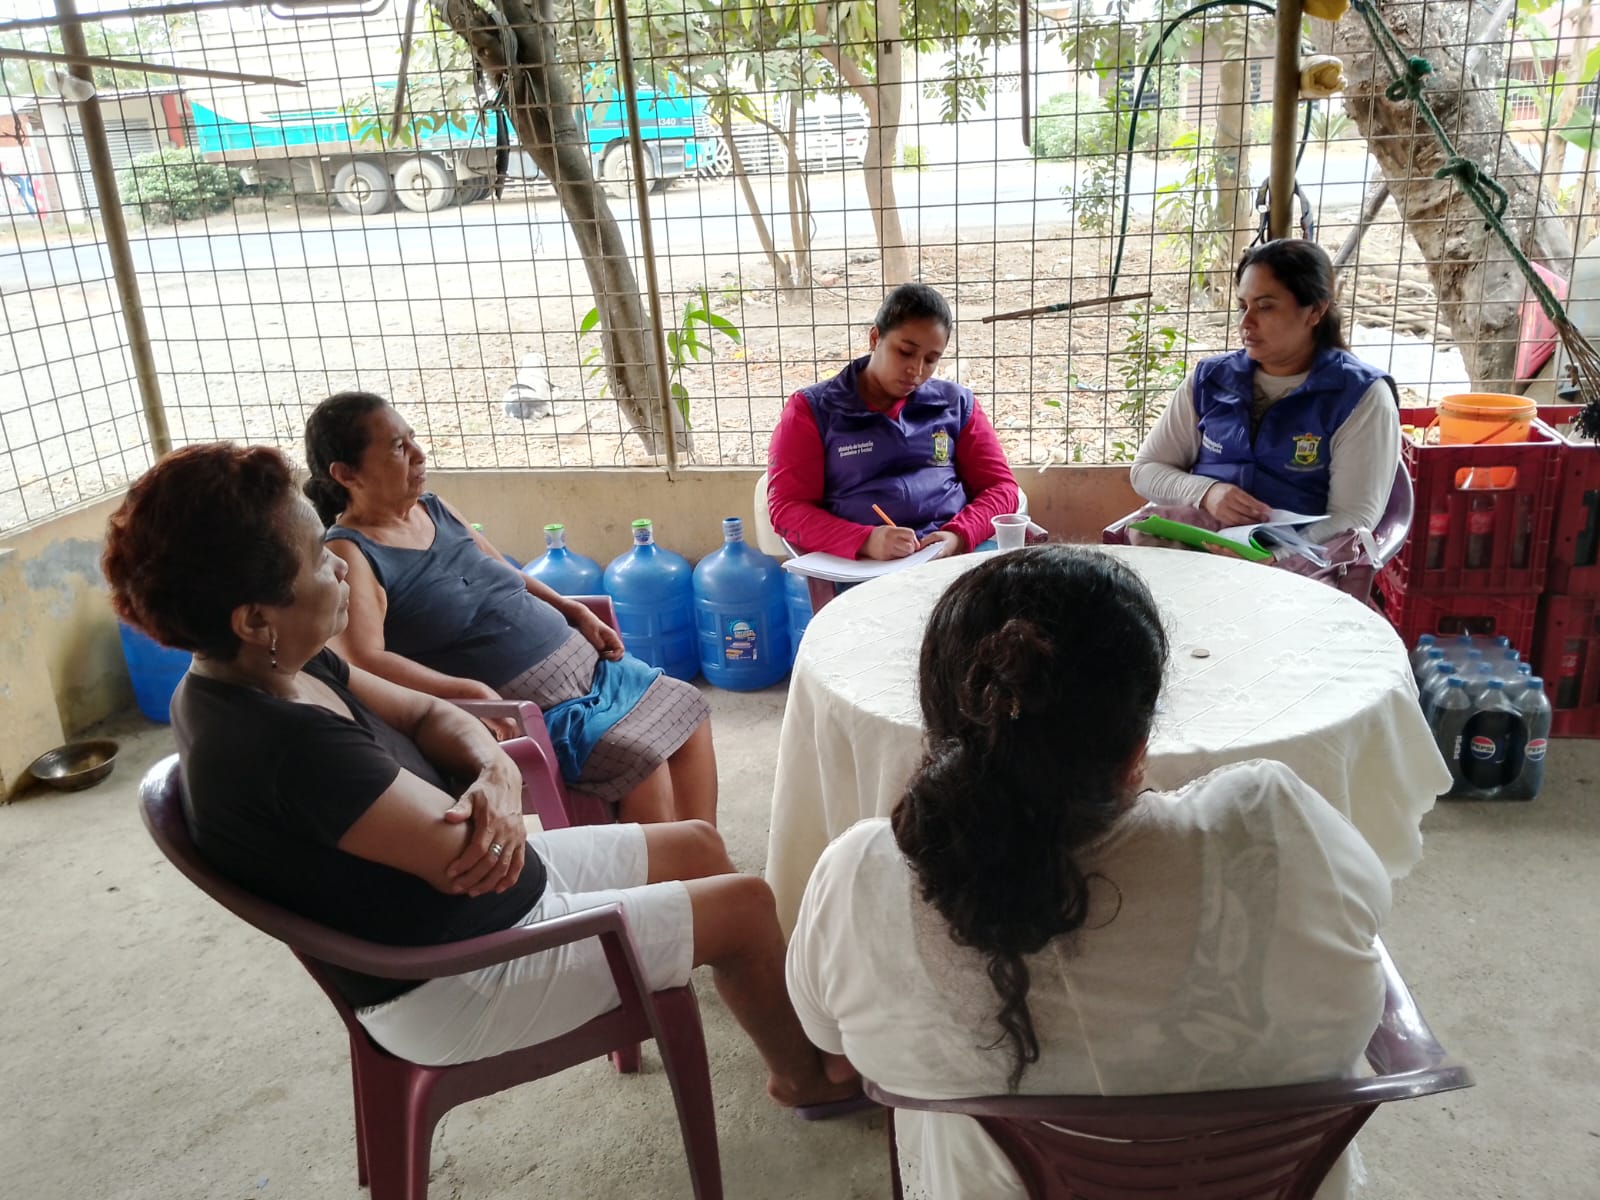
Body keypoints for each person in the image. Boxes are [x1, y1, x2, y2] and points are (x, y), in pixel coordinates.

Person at [102, 442, 863, 1111]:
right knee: (745, 905)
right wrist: (489, 792)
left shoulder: (274, 668)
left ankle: (749, 995)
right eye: (314, 559)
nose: (336, 563)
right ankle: (803, 1079)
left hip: (485, 906)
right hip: (459, 976)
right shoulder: (283, 746)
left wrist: (496, 770)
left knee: (696, 844)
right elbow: (473, 857)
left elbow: (432, 715)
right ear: (252, 618)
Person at [786, 546, 1391, 1200]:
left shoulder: (861, 882)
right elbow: (1369, 919)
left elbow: (832, 1047)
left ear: (940, 732)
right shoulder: (1275, 830)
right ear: (1137, 752)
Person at [302, 392, 715, 827]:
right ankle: (668, 864)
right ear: (346, 473)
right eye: (397, 448)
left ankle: (704, 852)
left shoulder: (434, 509)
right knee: (641, 759)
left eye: (412, 438)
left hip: (591, 673)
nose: (419, 454)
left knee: (688, 708)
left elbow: (505, 571)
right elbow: (362, 659)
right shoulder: (352, 552)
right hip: (532, 712)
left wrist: (571, 610)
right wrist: (469, 691)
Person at [1130, 239, 1401, 546]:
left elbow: (1353, 516)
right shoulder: (1211, 380)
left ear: (1315, 311)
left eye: (1265, 307)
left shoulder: (1361, 397)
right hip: (1204, 542)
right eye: (1242, 306)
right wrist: (1206, 493)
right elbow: (1146, 470)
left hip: (1298, 557)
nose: (1246, 322)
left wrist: (1275, 558)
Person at [767, 283, 1021, 561]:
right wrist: (864, 540)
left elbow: (1002, 489)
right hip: (863, 566)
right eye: (905, 352)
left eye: (931, 359)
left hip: (950, 555)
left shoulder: (956, 404)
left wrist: (959, 535)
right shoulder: (812, 410)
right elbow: (787, 509)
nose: (916, 370)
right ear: (875, 338)